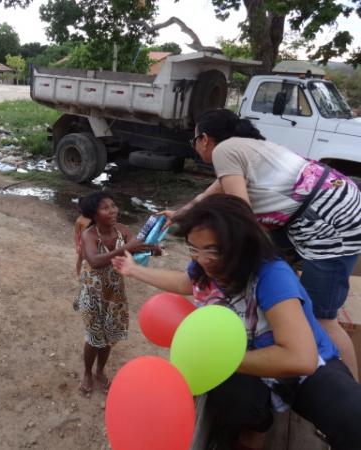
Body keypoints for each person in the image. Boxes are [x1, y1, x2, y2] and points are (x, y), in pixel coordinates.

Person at [113, 194, 361, 450]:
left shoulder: (271, 275)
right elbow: (184, 283)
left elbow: (302, 359)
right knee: (228, 397)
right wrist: (134, 270)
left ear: (242, 243)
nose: (202, 259)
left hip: (306, 371)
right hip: (248, 368)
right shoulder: (207, 267)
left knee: (352, 417)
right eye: (193, 248)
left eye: (212, 250)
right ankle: (258, 424)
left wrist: (222, 360)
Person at [164, 108, 361, 380]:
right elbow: (212, 192)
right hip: (330, 207)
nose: (196, 147)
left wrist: (221, 252)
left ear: (205, 139)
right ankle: (281, 327)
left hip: (329, 220)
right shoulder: (246, 147)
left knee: (324, 318)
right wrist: (181, 214)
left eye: (194, 141)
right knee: (275, 269)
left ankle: (349, 389)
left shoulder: (225, 151)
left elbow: (240, 210)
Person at [74, 191, 155, 397]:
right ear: (94, 214)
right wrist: (127, 248)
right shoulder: (89, 234)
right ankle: (87, 373)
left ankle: (100, 372)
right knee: (94, 338)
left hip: (115, 293)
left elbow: (138, 246)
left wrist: (155, 247)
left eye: (113, 205)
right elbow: (95, 261)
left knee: (109, 337)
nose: (113, 210)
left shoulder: (122, 230)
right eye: (105, 208)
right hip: (93, 294)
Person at [74, 197, 92, 276]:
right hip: (83, 244)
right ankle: (78, 275)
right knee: (81, 259)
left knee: (89, 260)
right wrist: (77, 245)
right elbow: (76, 233)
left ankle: (88, 275)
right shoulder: (79, 220)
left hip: (92, 243)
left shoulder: (93, 218)